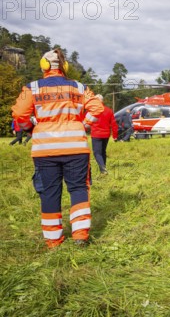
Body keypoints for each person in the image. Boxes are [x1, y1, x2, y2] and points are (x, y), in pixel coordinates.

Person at [11, 47, 104, 248]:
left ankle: (53, 240)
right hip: (76, 148)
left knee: (50, 193)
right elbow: (97, 108)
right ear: (65, 66)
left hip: (45, 150)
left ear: (44, 65)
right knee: (78, 189)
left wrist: (29, 128)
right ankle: (80, 236)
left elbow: (19, 114)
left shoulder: (33, 88)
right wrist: (84, 125)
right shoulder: (78, 87)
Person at [90, 94, 118, 174]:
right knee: (103, 152)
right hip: (106, 135)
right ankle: (103, 168)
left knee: (97, 153)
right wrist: (115, 136)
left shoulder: (93, 110)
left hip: (96, 134)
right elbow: (114, 124)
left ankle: (103, 169)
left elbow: (86, 122)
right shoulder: (109, 110)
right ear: (102, 101)